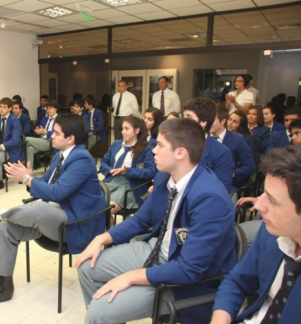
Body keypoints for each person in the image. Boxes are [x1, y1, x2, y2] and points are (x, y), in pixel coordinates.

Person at [76, 118, 236, 324]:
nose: (153, 150)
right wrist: (101, 238)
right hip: (157, 249)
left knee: (98, 312)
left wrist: (132, 276)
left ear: (180, 153)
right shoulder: (165, 176)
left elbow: (189, 269)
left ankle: (105, 314)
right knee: (86, 265)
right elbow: (142, 219)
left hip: (182, 279)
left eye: (160, 145)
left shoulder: (210, 198)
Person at [0, 114, 106, 304]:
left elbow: (57, 193)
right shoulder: (60, 156)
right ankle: (2, 286)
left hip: (75, 224)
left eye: (57, 133)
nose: (51, 136)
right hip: (55, 218)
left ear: (71, 138)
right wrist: (29, 177)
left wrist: (27, 179)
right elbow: (44, 184)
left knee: (39, 208)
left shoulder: (82, 159)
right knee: (6, 228)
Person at [211, 145, 301, 324]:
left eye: (272, 201)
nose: (258, 206)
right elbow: (237, 281)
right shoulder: (273, 234)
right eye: (263, 194)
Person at [100, 116, 156, 216]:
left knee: (104, 211)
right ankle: (111, 229)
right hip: (111, 181)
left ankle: (111, 230)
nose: (123, 132)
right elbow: (104, 162)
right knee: (92, 206)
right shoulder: (116, 144)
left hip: (130, 186)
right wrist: (110, 170)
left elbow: (151, 171)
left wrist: (127, 171)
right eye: (122, 128)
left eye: (127, 129)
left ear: (137, 130)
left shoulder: (146, 148)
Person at [183, 97, 234, 193]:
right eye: (183, 116)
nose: (183, 121)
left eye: (189, 117)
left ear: (203, 122)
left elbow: (221, 190)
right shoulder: (176, 143)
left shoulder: (221, 152)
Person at [210, 105, 256, 195]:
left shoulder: (237, 139)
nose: (208, 123)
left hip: (228, 185)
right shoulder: (202, 138)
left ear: (223, 121)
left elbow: (250, 166)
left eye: (212, 120)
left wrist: (232, 173)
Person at [25, 100, 58, 170]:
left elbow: (58, 134)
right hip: (41, 140)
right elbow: (41, 128)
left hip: (51, 142)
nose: (48, 110)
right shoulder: (45, 119)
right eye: (47, 108)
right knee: (29, 149)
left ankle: (16, 157)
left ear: (56, 109)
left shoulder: (60, 119)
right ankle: (28, 171)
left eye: (50, 108)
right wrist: (38, 130)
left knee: (26, 139)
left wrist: (45, 132)